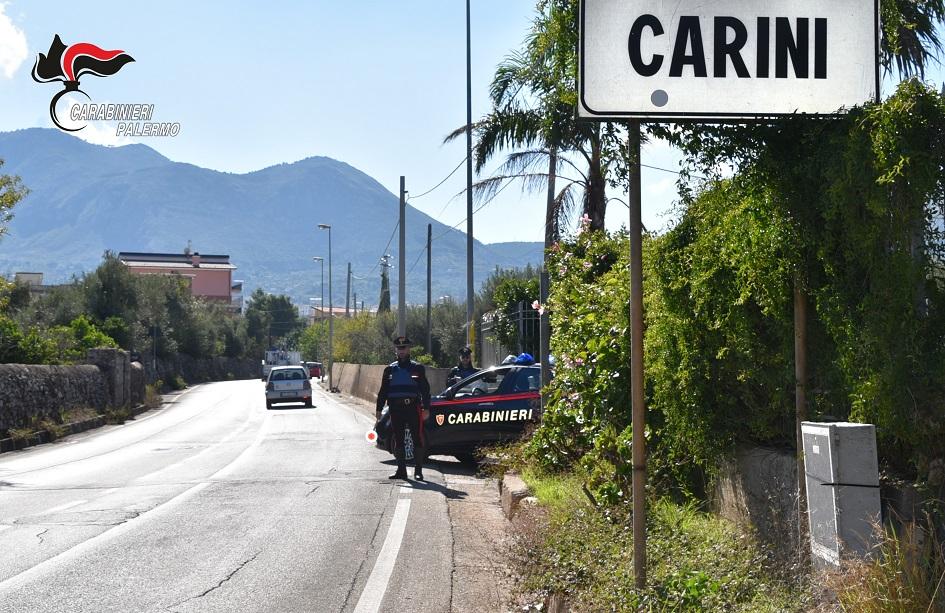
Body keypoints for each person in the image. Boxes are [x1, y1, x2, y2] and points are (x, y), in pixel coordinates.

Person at [375, 335, 431, 481]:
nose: (401, 351)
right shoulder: (390, 370)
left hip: (413, 407)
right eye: (399, 348)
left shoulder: (417, 368)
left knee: (417, 438)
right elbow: (383, 391)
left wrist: (426, 408)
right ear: (396, 350)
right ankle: (401, 470)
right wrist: (379, 410)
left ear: (409, 349)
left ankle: (418, 471)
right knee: (398, 439)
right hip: (395, 408)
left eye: (404, 348)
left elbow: (425, 390)